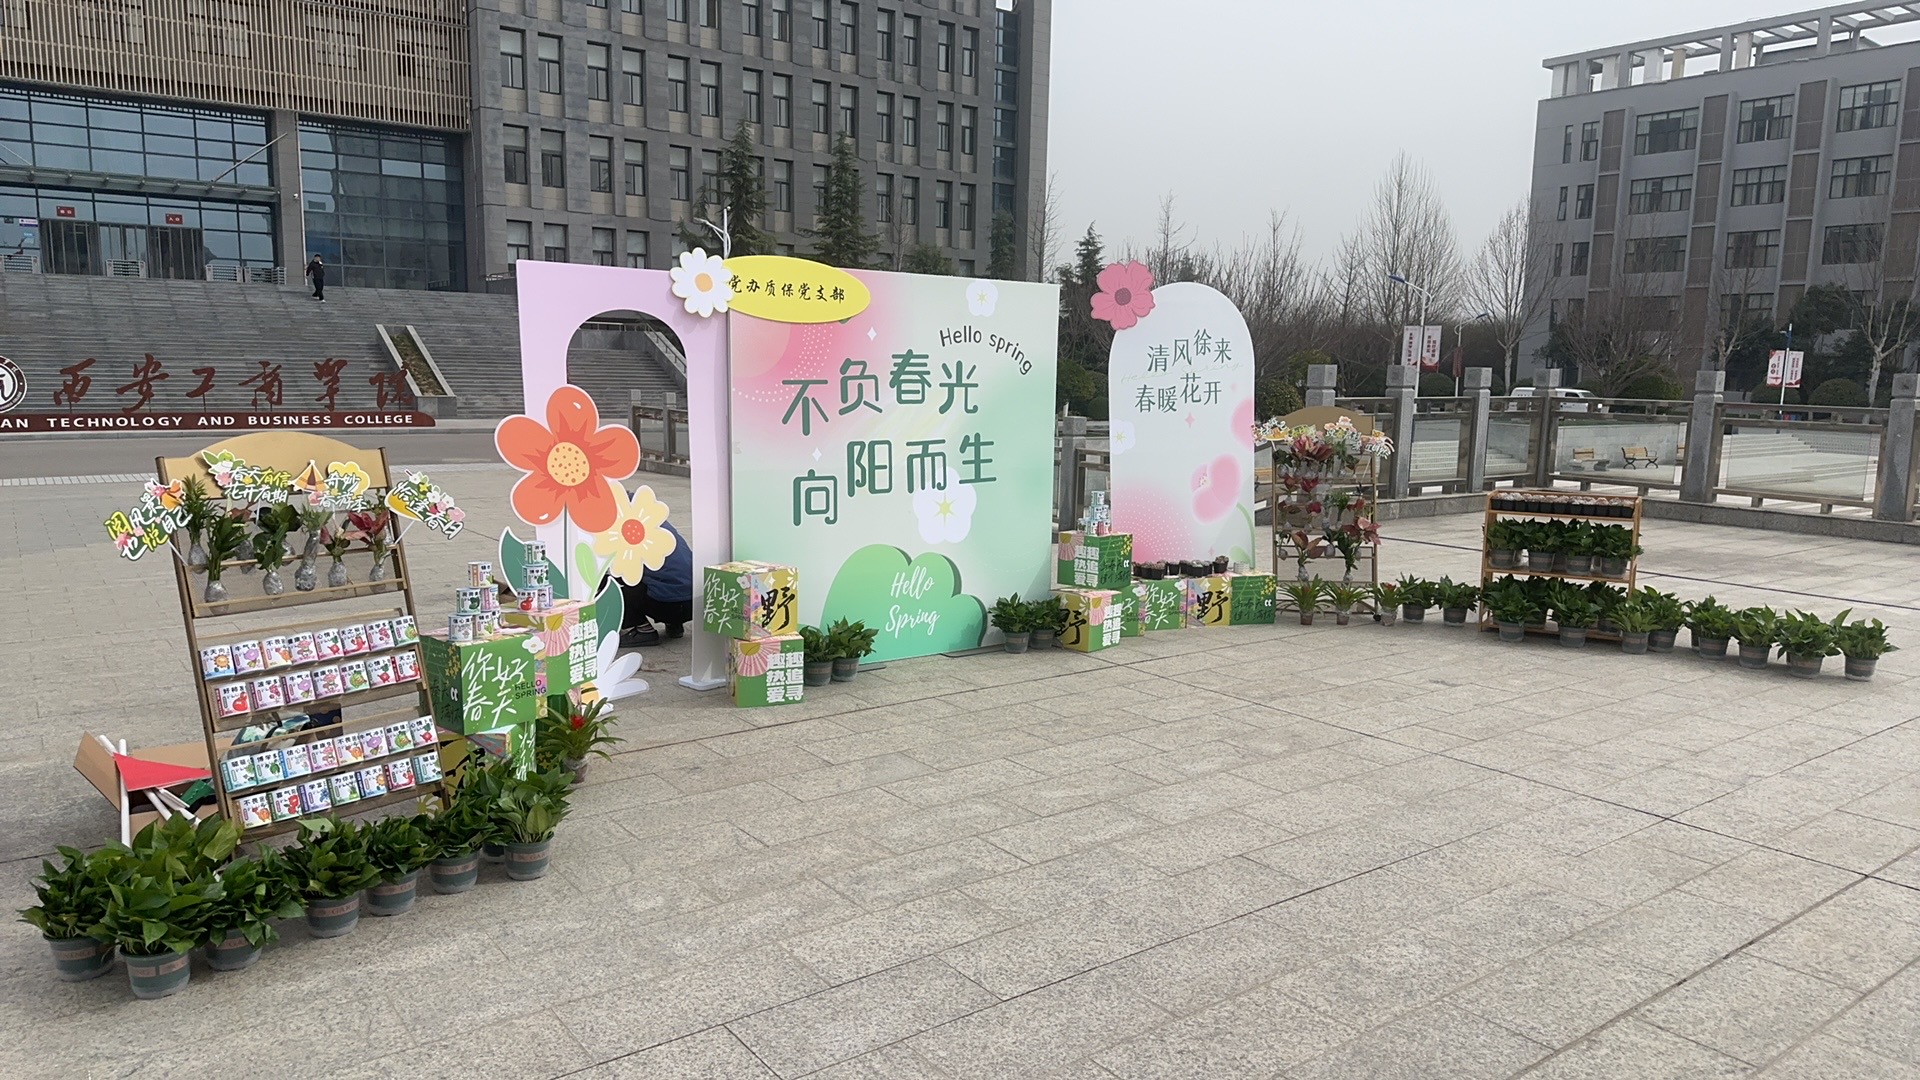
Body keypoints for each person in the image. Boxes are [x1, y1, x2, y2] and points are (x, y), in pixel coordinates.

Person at [618, 519, 691, 647]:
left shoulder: (627, 529)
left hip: (667, 605)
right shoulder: (659, 521)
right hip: (693, 603)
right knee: (665, 573)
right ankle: (675, 625)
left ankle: (642, 629)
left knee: (616, 581)